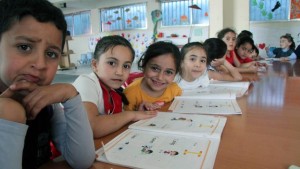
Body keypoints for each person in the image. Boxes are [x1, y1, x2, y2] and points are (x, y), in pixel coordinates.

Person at [0, 0, 95, 169]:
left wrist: (70, 93)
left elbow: (82, 160)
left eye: (51, 53)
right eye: (24, 47)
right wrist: (9, 115)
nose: (41, 64)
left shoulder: (46, 104)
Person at [73, 35, 157, 138]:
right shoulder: (86, 82)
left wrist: (137, 112)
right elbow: (91, 127)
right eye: (112, 63)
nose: (120, 72)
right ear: (95, 65)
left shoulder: (115, 91)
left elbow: (114, 121)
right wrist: (131, 115)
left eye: (126, 66)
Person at [123, 41, 182, 111]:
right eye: (155, 68)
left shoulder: (175, 90)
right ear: (144, 66)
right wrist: (138, 115)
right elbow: (126, 120)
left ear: (175, 74)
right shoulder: (130, 94)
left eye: (168, 72)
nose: (160, 77)